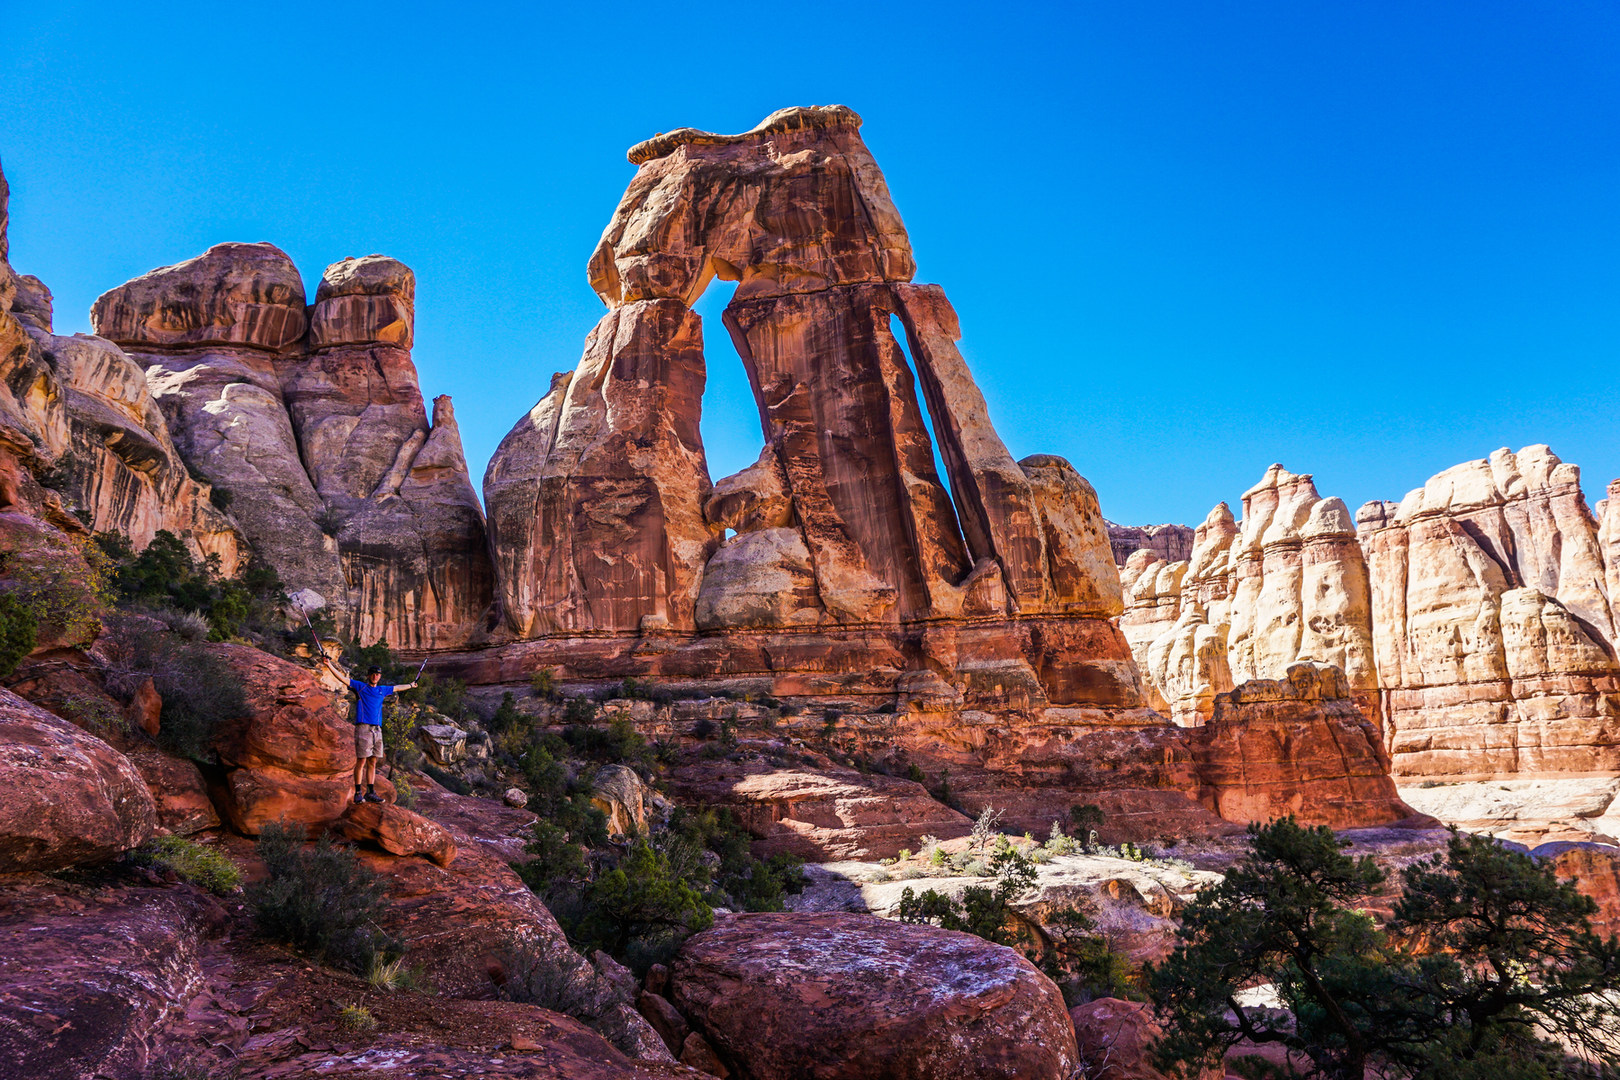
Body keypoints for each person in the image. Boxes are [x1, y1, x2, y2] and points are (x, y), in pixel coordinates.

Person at [322, 657, 417, 804]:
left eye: (378, 674)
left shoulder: (382, 690)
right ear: (368, 675)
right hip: (363, 727)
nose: (375, 676)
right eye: (373, 673)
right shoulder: (360, 687)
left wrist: (411, 685)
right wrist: (329, 665)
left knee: (373, 761)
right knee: (361, 761)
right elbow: (342, 678)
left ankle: (370, 793)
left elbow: (397, 687)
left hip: (377, 730)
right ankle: (358, 793)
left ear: (380, 676)